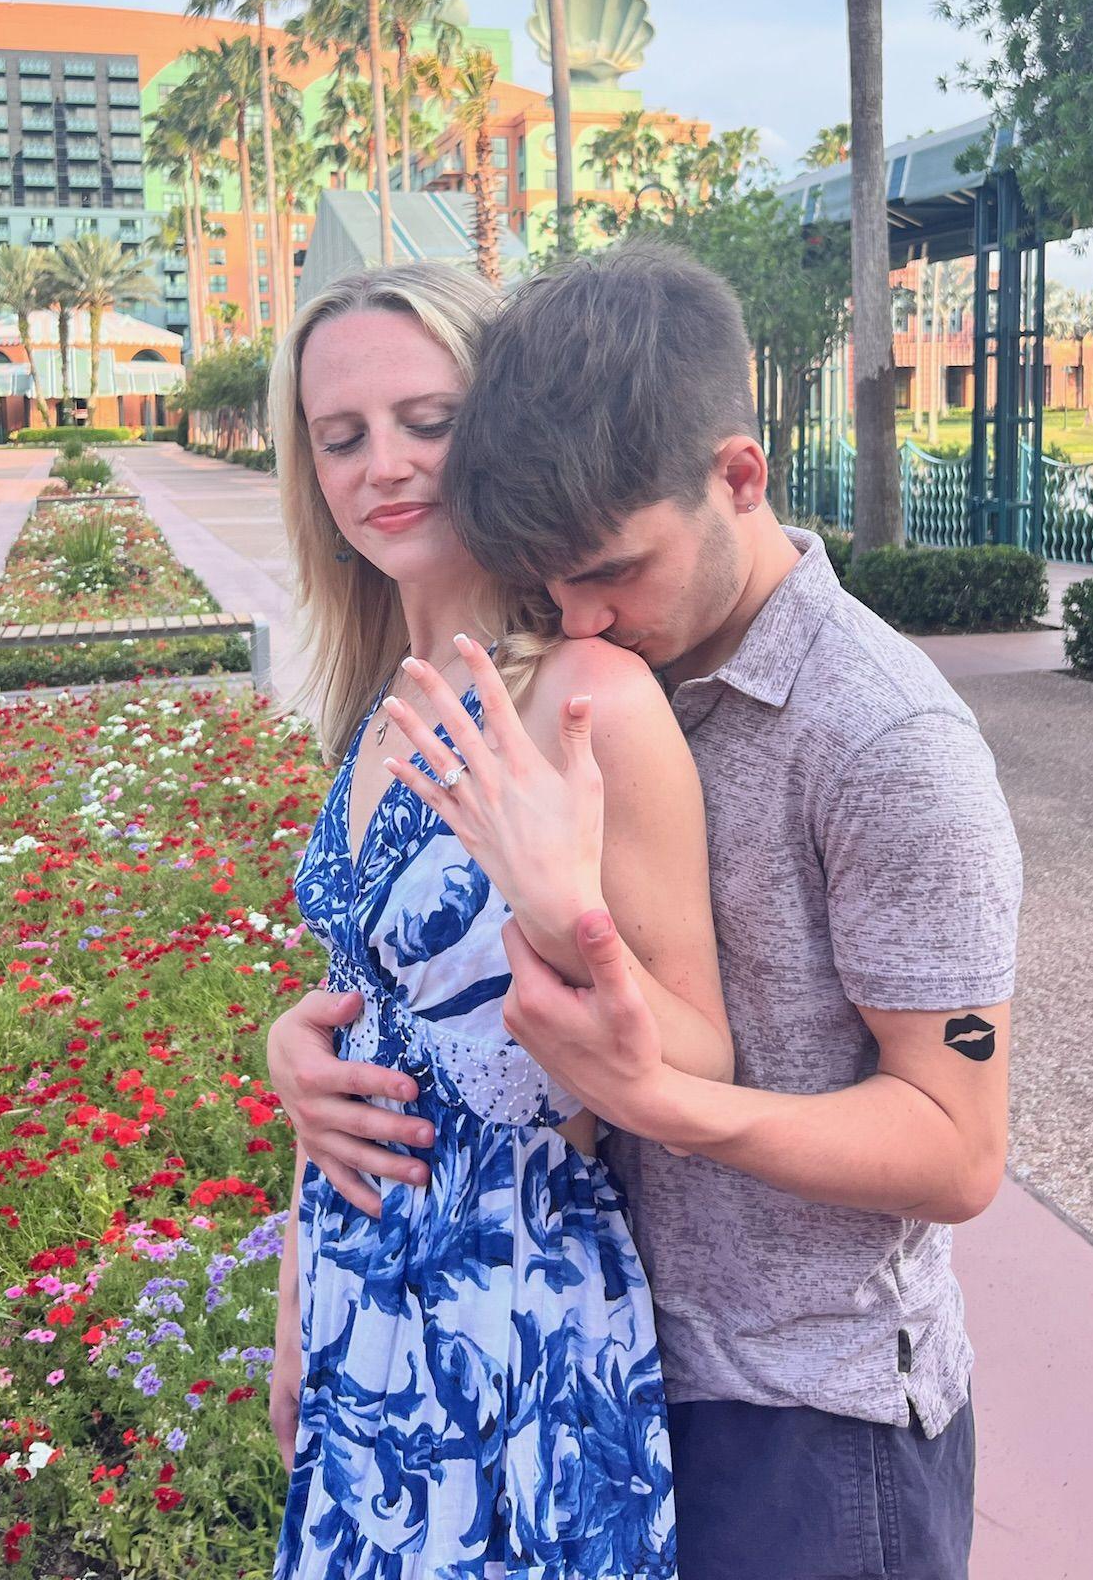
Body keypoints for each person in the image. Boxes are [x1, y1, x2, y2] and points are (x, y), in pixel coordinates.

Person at [270, 241, 1023, 1580]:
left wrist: (657, 1087)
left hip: (803, 1405)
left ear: (741, 479)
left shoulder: (886, 739)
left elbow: (958, 1145)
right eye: (341, 437)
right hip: (598, 1349)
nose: (585, 614)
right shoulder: (580, 662)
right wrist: (308, 1057)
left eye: (429, 424)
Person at [263, 261, 735, 1580]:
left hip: (516, 1320)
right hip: (359, 1313)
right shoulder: (379, 704)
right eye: (340, 437)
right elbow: (362, 1023)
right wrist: (297, 1299)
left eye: (429, 420)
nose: (384, 465)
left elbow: (702, 1059)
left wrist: (564, 916)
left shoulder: (586, 700)